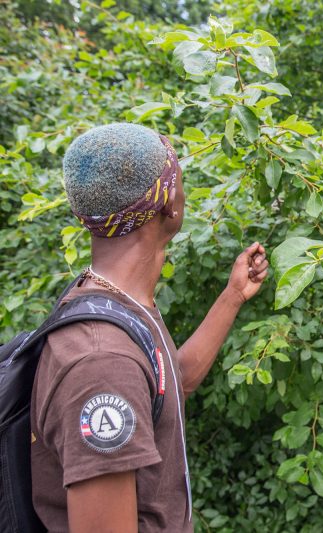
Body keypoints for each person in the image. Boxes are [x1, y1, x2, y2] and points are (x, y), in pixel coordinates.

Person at [30, 123, 269, 532]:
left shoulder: (114, 303)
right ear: (170, 206)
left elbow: (170, 384)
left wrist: (232, 297)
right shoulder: (102, 364)